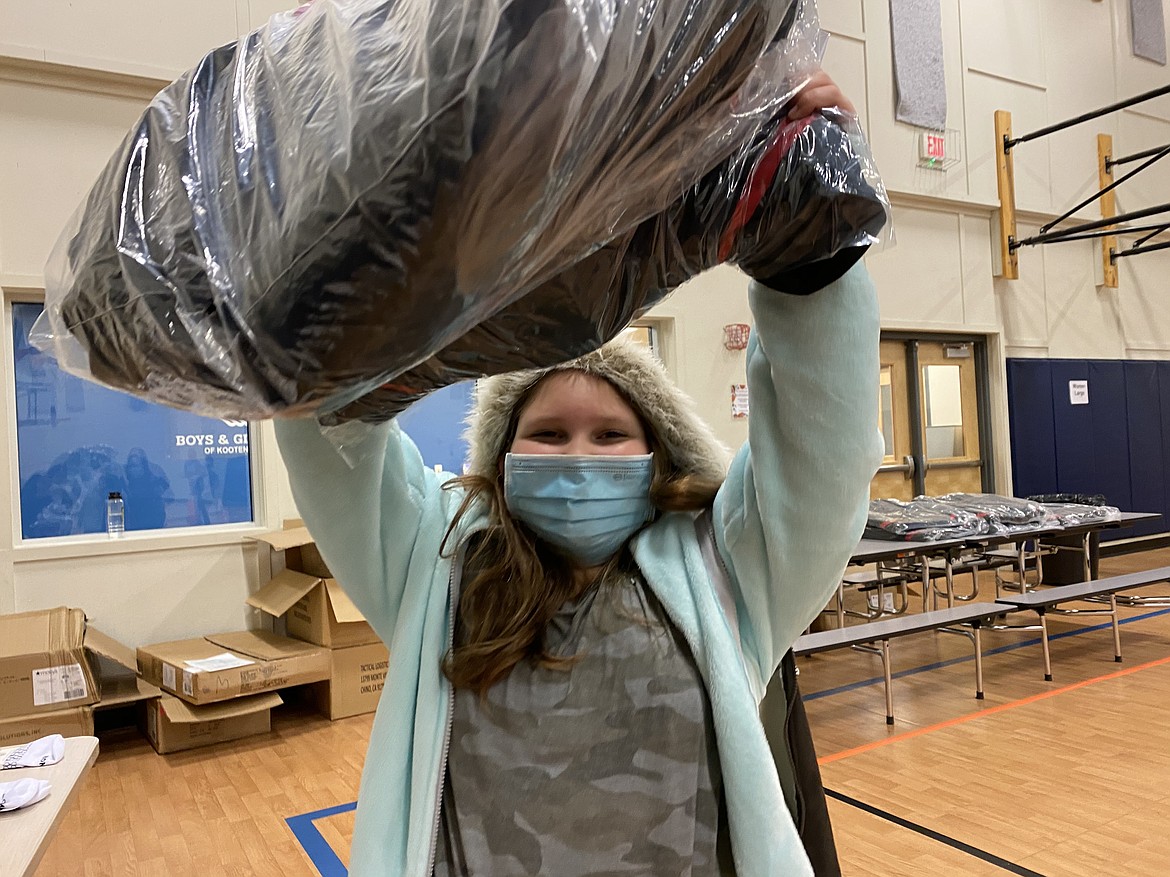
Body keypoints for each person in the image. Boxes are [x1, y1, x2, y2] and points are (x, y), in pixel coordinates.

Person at [276, 72, 882, 877]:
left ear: (656, 453)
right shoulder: (438, 565)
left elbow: (823, 443)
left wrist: (811, 238)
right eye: (549, 433)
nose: (577, 457)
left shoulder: (725, 571)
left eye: (609, 434)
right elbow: (333, 440)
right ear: (503, 456)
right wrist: (333, 211)